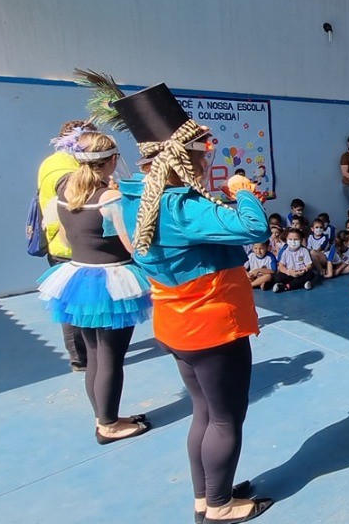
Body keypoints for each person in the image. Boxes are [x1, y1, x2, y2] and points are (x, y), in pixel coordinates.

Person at [87, 74, 273, 522]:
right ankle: (221, 508)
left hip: (177, 323)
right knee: (226, 419)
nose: (207, 160)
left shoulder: (131, 196)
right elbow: (255, 228)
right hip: (212, 323)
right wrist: (244, 193)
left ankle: (208, 494)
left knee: (204, 413)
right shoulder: (180, 207)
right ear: (181, 160)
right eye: (199, 154)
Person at [36, 128, 153, 444]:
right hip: (112, 281)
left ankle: (105, 416)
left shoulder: (64, 194)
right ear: (111, 161)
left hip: (78, 278)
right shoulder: (110, 198)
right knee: (111, 357)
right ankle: (109, 426)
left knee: (94, 355)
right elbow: (131, 245)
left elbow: (61, 235)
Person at [37, 119, 88, 371]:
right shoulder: (66, 171)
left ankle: (85, 351)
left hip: (61, 243)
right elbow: (75, 206)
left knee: (75, 303)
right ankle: (80, 357)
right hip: (67, 247)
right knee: (71, 305)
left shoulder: (51, 162)